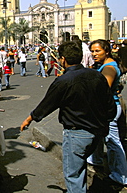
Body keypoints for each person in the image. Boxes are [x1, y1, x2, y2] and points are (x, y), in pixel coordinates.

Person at [20, 41, 116, 193]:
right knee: (80, 167)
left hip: (76, 134)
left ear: (63, 59)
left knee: (74, 174)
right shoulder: (96, 76)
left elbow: (48, 104)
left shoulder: (64, 81)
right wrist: (104, 123)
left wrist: (29, 119)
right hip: (97, 132)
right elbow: (110, 106)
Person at [87, 39, 127, 189]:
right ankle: (95, 161)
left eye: (97, 51)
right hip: (106, 108)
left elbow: (102, 89)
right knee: (98, 136)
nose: (94, 54)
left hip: (108, 109)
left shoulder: (109, 68)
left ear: (107, 51)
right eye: (92, 51)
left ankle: (120, 175)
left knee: (113, 142)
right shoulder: (106, 66)